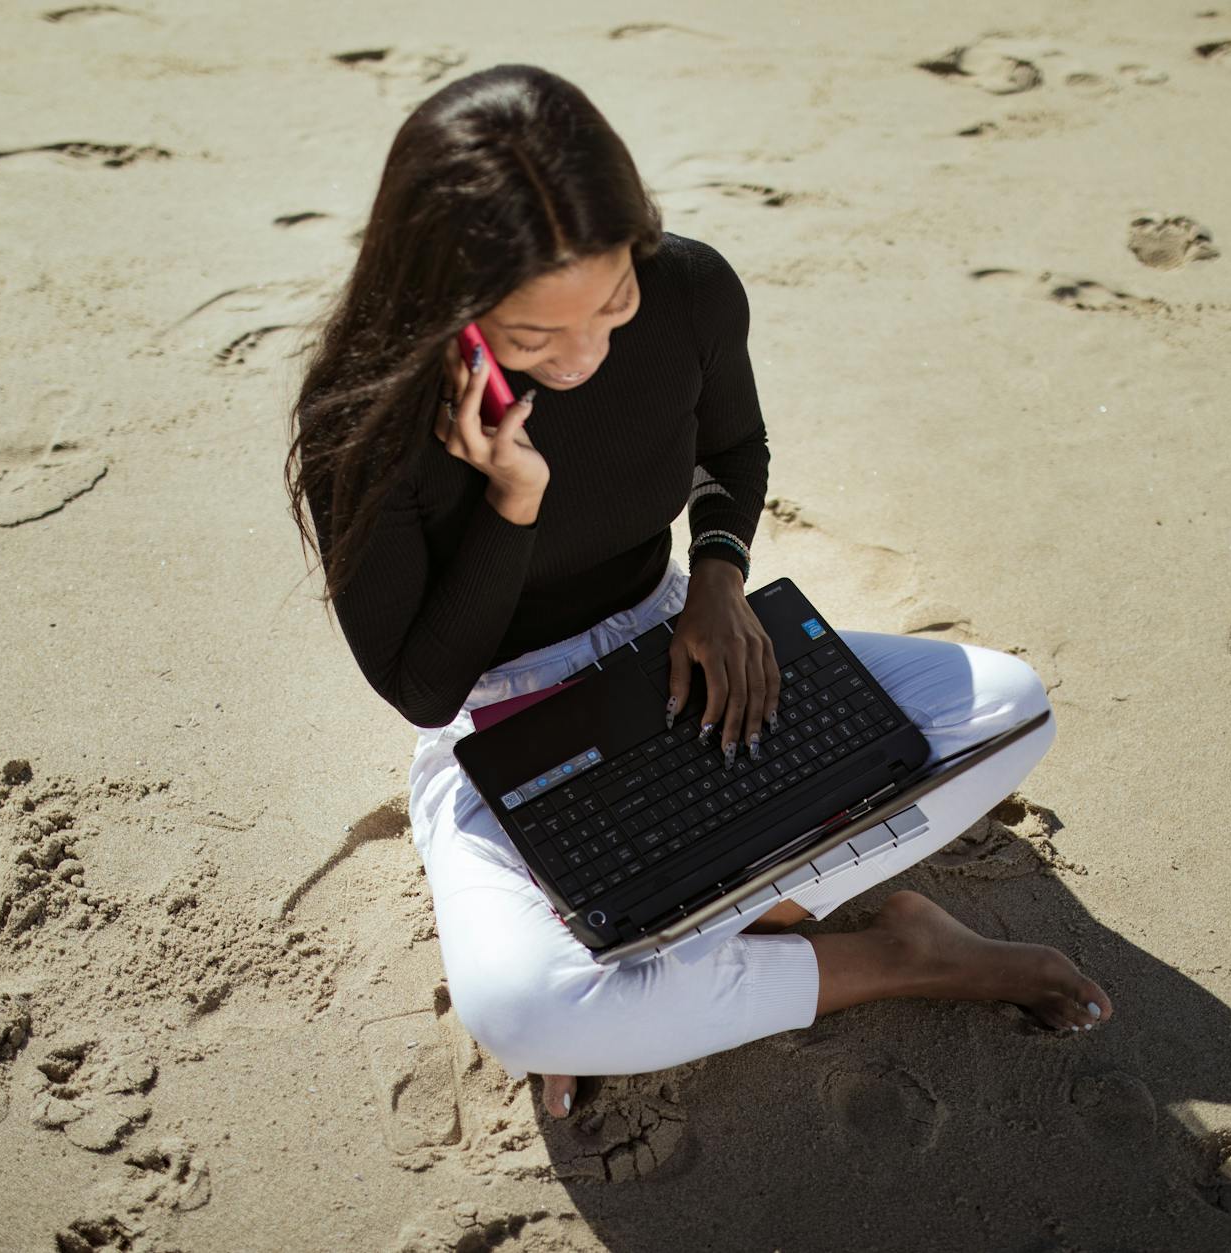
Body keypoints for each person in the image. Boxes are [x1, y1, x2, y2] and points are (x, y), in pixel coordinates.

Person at [283, 64, 1111, 1122]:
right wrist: (511, 498)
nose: (586, 356)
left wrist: (717, 578)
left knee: (1008, 708)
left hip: (673, 643)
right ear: (445, 305)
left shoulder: (689, 289)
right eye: (534, 337)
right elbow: (424, 686)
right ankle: (898, 954)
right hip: (501, 726)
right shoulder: (361, 416)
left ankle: (670, 943)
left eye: (613, 301)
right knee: (526, 1009)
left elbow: (731, 445)